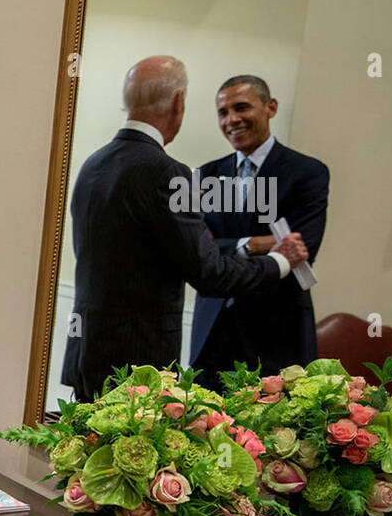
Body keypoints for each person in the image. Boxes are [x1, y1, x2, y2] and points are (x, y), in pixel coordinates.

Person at [61, 56, 310, 400]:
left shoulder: (94, 164)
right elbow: (210, 273)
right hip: (137, 365)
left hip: (87, 352)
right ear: (179, 102)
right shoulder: (168, 173)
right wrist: (280, 260)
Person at [189, 75, 330, 385]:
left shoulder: (307, 173)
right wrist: (253, 244)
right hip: (213, 328)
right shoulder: (206, 175)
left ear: (271, 107)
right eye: (223, 112)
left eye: (241, 108)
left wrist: (222, 247)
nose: (232, 120)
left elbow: (304, 248)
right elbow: (195, 251)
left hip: (277, 331)